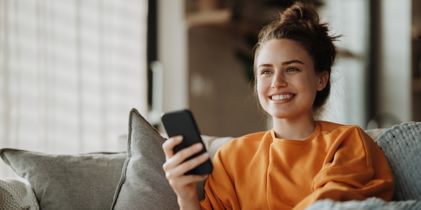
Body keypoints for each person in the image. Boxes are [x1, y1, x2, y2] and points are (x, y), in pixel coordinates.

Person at [162, 3, 394, 210]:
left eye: (292, 68)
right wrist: (186, 196)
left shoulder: (348, 142)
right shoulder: (232, 156)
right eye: (266, 71)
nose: (277, 82)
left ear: (321, 79)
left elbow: (328, 205)